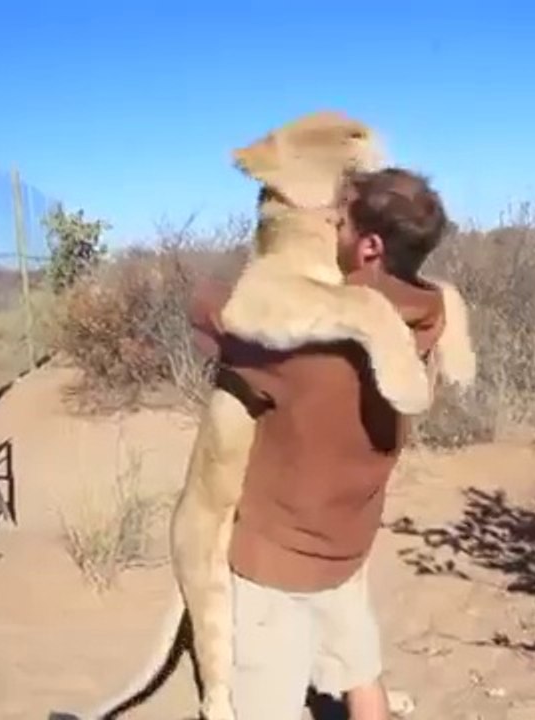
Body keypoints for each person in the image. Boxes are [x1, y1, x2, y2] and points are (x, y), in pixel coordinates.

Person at [189, 166, 449, 720]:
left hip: (277, 564)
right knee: (360, 674)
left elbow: (213, 312)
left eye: (340, 218)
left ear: (370, 246)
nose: (328, 224)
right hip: (348, 543)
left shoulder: (309, 350)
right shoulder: (430, 317)